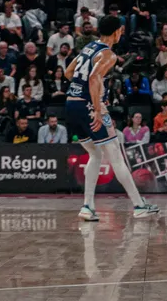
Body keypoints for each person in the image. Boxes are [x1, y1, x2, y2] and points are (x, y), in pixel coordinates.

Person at [65, 15, 160, 221]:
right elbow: (93, 78)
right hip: (89, 106)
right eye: (121, 30)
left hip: (71, 104)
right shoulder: (109, 55)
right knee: (115, 155)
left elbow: (68, 72)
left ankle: (87, 206)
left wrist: (82, 91)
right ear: (117, 31)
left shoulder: (89, 47)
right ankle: (139, 205)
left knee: (95, 154)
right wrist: (97, 109)